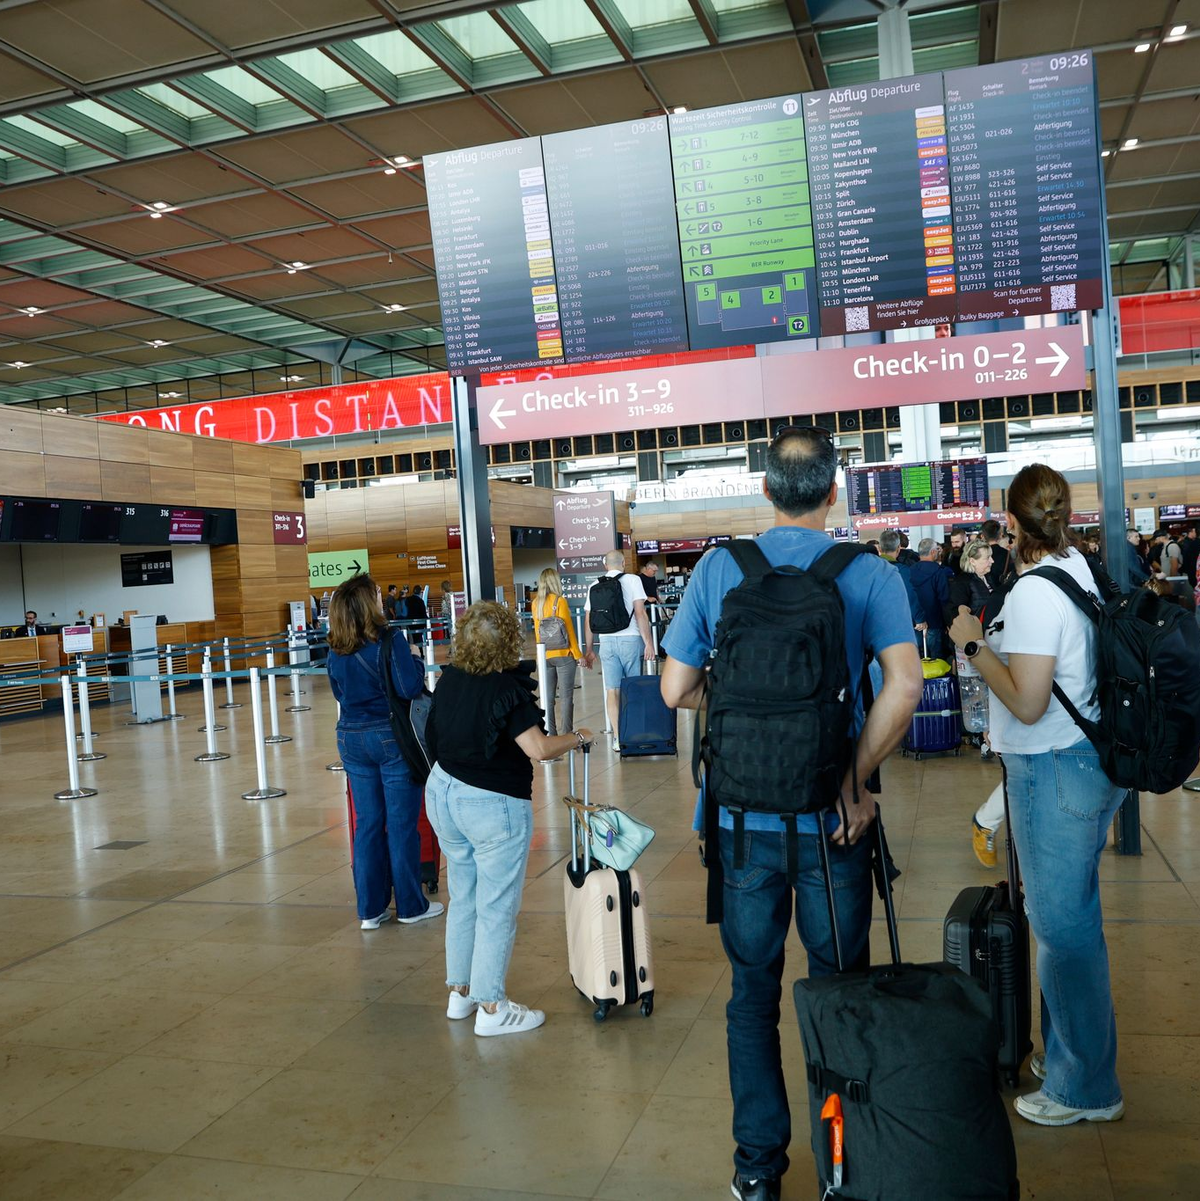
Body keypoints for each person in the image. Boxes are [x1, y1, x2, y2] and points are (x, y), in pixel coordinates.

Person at [659, 426, 923, 1201]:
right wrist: (852, 774)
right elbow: (904, 687)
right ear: (836, 491)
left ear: (765, 490)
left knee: (752, 994)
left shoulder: (720, 568)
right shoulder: (867, 573)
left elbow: (675, 689)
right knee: (839, 991)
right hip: (829, 824)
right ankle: (844, 1164)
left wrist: (733, 702)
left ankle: (757, 1170)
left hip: (741, 825)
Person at [949, 462, 1127, 1129]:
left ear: (1013, 521)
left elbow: (1025, 700)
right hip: (1090, 765)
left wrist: (973, 643)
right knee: (1074, 917)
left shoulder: (1032, 595)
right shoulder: (1079, 569)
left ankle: (1086, 1086)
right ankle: (1069, 1054)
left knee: (1061, 928)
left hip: (1052, 767)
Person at [425, 601, 593, 1036]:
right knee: (497, 906)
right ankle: (493, 1008)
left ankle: (460, 994)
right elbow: (537, 749)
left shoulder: (450, 679)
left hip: (443, 793)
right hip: (491, 805)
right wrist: (577, 737)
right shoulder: (506, 691)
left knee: (464, 895)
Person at [326, 574, 444, 931]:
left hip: (350, 738)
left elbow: (337, 691)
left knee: (368, 824)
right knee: (401, 823)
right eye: (377, 594)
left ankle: (370, 910)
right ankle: (410, 905)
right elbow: (409, 688)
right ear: (368, 603)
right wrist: (417, 659)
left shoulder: (336, 646)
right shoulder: (391, 639)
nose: (382, 598)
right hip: (389, 738)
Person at [583, 549, 655, 751]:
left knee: (612, 690)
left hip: (606, 642)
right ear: (623, 563)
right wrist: (648, 642)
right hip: (630, 640)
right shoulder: (633, 580)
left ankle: (617, 738)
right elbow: (640, 614)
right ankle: (634, 734)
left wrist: (589, 649)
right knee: (633, 688)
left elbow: (589, 620)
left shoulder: (594, 585)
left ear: (605, 565)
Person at [532, 566, 582, 736]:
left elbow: (538, 632)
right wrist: (577, 654)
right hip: (563, 655)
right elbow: (568, 630)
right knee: (566, 697)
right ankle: (567, 734)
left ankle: (550, 735)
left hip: (545, 655)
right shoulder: (559, 601)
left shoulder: (535, 603)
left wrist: (539, 657)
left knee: (547, 698)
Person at [879, 530, 928, 644]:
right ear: (898, 548)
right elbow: (910, 595)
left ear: (880, 549)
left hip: (877, 622)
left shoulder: (870, 569)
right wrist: (919, 618)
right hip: (900, 622)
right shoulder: (901, 571)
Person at [910, 537, 951, 660]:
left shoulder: (910, 571)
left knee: (917, 659)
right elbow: (944, 598)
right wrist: (947, 623)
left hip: (915, 623)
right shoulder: (939, 572)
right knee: (936, 660)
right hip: (935, 622)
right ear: (933, 552)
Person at [980, 519, 1011, 586]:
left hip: (984, 591)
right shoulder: (1008, 555)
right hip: (1003, 591)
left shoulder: (978, 555)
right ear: (1000, 535)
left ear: (982, 536)